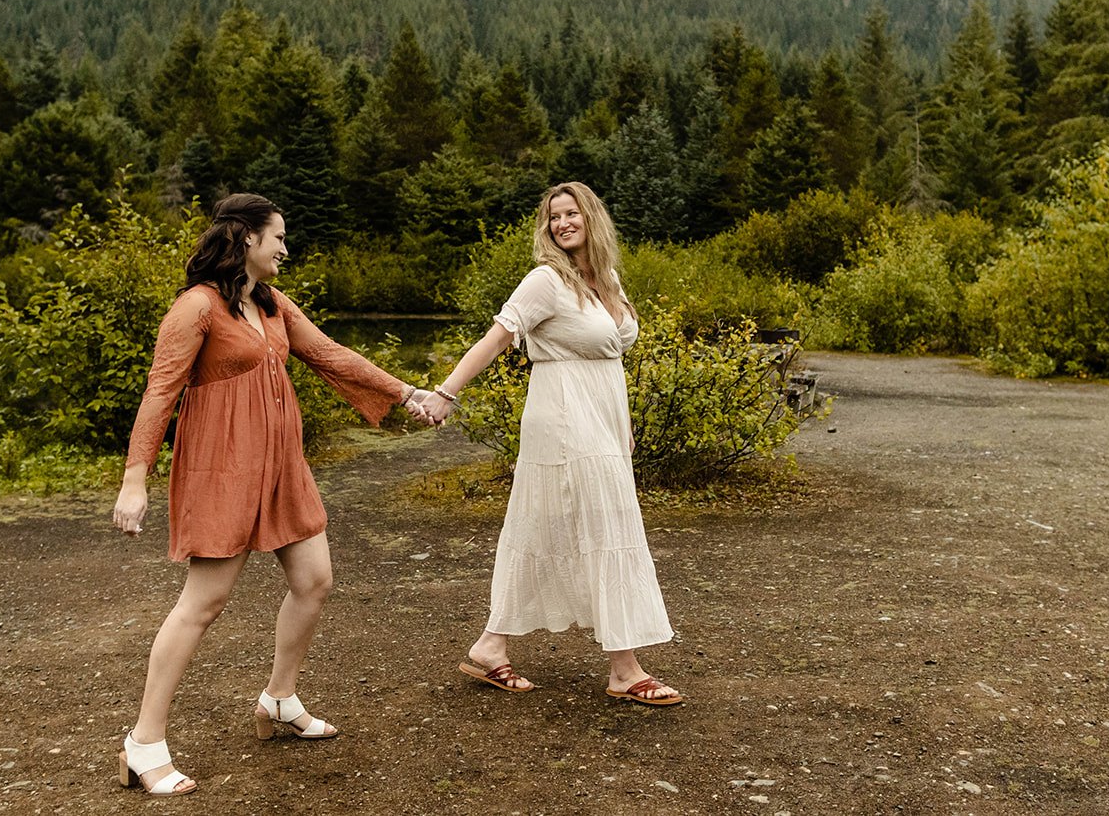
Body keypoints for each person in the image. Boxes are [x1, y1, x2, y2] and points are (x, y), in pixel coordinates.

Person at [111, 193, 434, 795]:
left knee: (314, 581)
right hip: (222, 468)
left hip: (282, 465)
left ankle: (279, 700)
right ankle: (142, 742)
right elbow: (159, 394)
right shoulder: (196, 308)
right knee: (203, 604)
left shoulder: (271, 302)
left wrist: (407, 393)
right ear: (245, 239)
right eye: (278, 236)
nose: (285, 248)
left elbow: (329, 354)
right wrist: (136, 479)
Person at [420, 182, 682, 706]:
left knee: (548, 525)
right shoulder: (545, 281)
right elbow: (496, 339)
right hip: (562, 416)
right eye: (553, 216)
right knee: (604, 525)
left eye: (572, 213)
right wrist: (447, 392)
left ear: (592, 218)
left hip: (600, 417)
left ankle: (491, 644)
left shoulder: (606, 278)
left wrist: (621, 421)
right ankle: (625, 670)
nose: (562, 223)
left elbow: (610, 358)